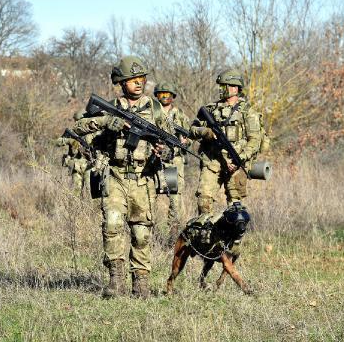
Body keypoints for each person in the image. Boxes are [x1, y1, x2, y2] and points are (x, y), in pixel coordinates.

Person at [73, 55, 172, 298]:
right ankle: (116, 281)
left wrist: (164, 150)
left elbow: (171, 144)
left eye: (142, 79)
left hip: (143, 178)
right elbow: (77, 128)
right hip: (115, 175)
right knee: (113, 224)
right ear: (122, 82)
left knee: (141, 233)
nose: (139, 83)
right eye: (133, 79)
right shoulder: (110, 107)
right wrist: (107, 122)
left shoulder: (155, 108)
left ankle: (141, 284)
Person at [190, 69, 269, 215]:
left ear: (234, 87)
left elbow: (254, 141)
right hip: (212, 161)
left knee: (235, 208)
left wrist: (239, 160)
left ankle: (232, 238)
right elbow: (192, 130)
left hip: (236, 164)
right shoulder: (210, 109)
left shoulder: (248, 112)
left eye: (224, 86)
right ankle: (206, 235)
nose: (221, 89)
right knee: (204, 201)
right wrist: (204, 132)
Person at [153, 81, 190, 245]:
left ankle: (173, 239)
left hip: (172, 164)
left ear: (173, 96)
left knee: (175, 200)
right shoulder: (151, 112)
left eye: (167, 93)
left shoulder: (179, 115)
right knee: (148, 197)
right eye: (161, 93)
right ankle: (149, 235)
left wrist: (184, 141)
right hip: (153, 161)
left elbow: (188, 138)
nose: (165, 96)